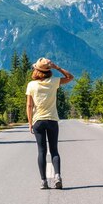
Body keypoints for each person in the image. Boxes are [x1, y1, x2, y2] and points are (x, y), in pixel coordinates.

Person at [26, 57, 74, 189]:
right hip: (52, 120)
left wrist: (30, 123)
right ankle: (57, 176)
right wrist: (57, 67)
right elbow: (70, 77)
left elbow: (29, 106)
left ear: (36, 70)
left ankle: (43, 181)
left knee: (41, 151)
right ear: (48, 70)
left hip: (38, 121)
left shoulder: (31, 85)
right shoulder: (54, 82)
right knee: (54, 150)